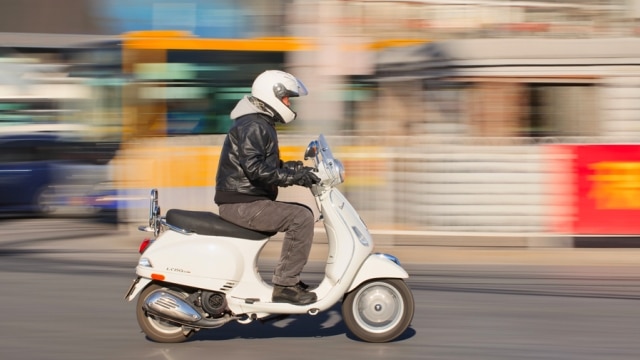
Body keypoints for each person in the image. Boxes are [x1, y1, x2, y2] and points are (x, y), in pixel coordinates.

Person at [214, 70, 321, 305]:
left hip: (244, 199)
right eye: (286, 98)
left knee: (300, 213)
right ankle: (285, 285)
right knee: (301, 217)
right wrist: (293, 178)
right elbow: (254, 169)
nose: (289, 103)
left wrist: (295, 169)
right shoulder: (254, 124)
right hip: (242, 203)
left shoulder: (258, 121)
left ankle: (288, 278)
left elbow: (264, 164)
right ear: (273, 95)